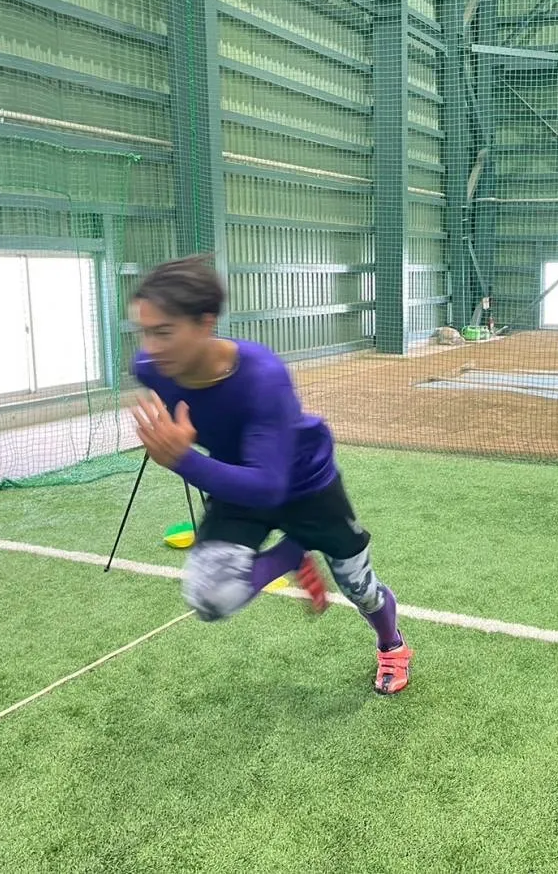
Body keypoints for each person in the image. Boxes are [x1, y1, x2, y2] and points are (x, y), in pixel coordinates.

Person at [128, 254, 413, 695]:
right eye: (144, 332)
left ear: (205, 323)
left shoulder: (263, 376)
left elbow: (269, 486)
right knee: (210, 598)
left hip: (306, 486)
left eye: (164, 332)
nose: (151, 347)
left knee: (361, 589)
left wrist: (181, 458)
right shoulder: (151, 368)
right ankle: (292, 555)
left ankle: (391, 644)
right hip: (237, 482)